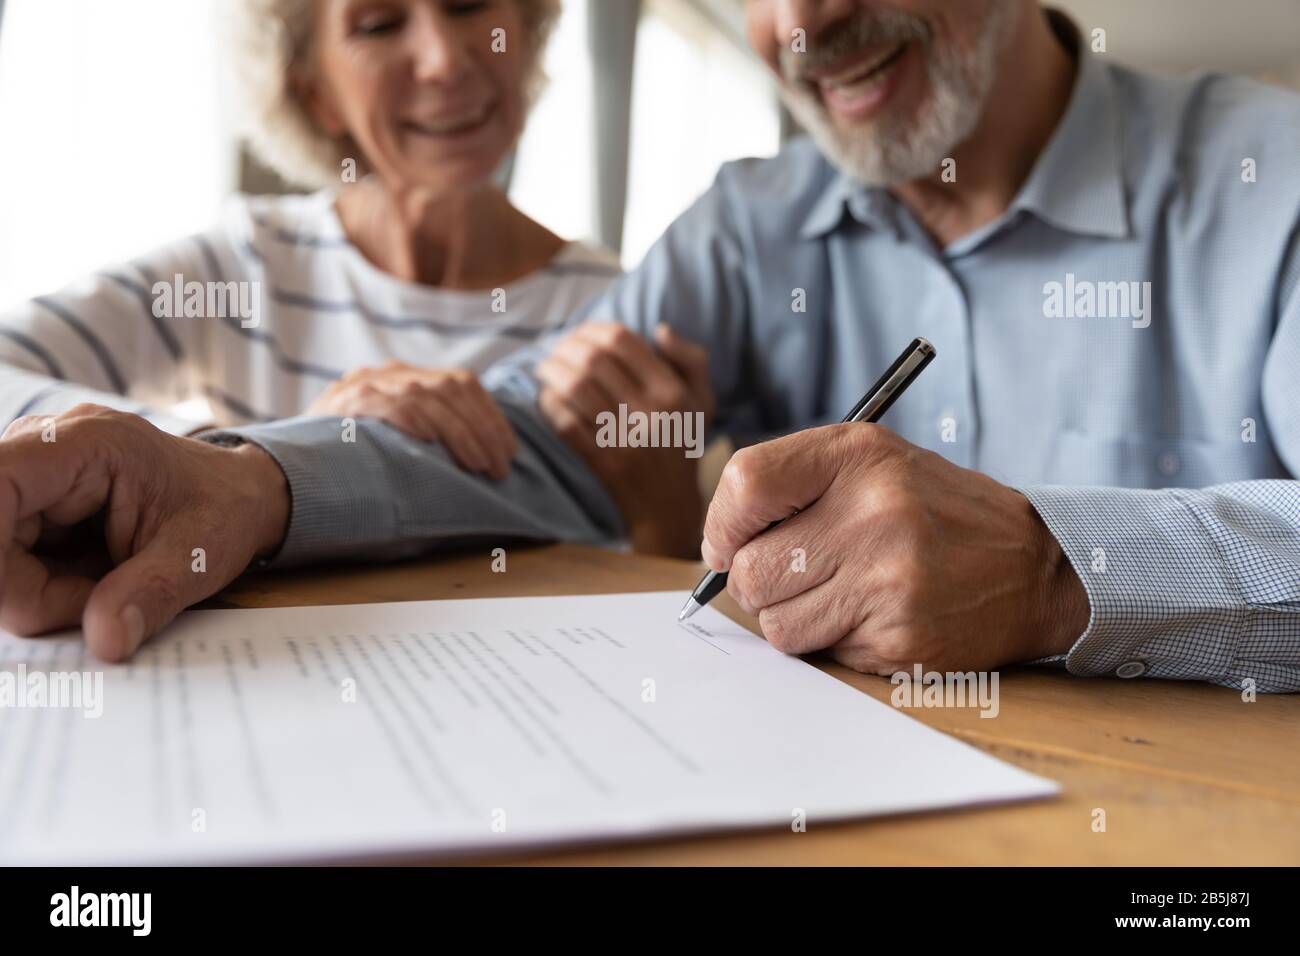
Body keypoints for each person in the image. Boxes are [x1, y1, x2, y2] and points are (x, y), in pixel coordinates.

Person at [2, 1, 1297, 694]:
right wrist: (247, 481)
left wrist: (1055, 574)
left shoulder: (1273, 183)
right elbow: (526, 444)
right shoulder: (747, 226)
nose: (807, 17)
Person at [0, 0, 620, 480]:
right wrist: (256, 459)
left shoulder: (617, 307)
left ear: (527, 30)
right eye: (378, 24)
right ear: (316, 92)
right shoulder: (247, 266)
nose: (446, 60)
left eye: (470, 5)